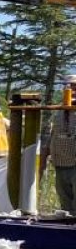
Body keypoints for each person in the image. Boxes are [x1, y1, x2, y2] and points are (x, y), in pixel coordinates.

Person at [40, 74, 76, 213]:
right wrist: (43, 159)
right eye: (67, 86)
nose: (71, 89)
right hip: (61, 164)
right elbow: (53, 135)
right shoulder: (60, 111)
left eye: (74, 86)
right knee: (66, 207)